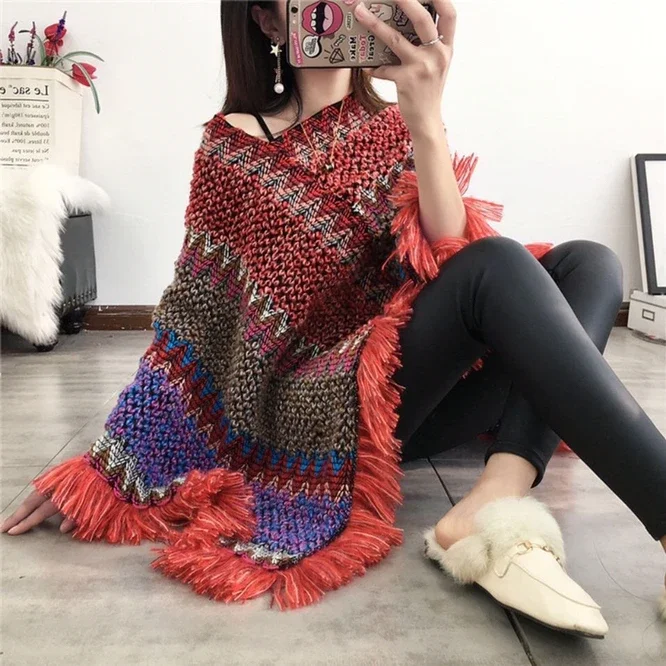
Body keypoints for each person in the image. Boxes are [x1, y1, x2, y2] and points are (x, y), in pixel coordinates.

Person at [2, 0, 665, 635]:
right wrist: (108, 463)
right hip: (327, 413)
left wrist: (426, 118)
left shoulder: (394, 126)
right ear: (269, 21)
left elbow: (447, 259)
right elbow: (194, 325)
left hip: (433, 380)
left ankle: (498, 490)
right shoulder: (232, 148)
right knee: (498, 264)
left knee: (592, 264)